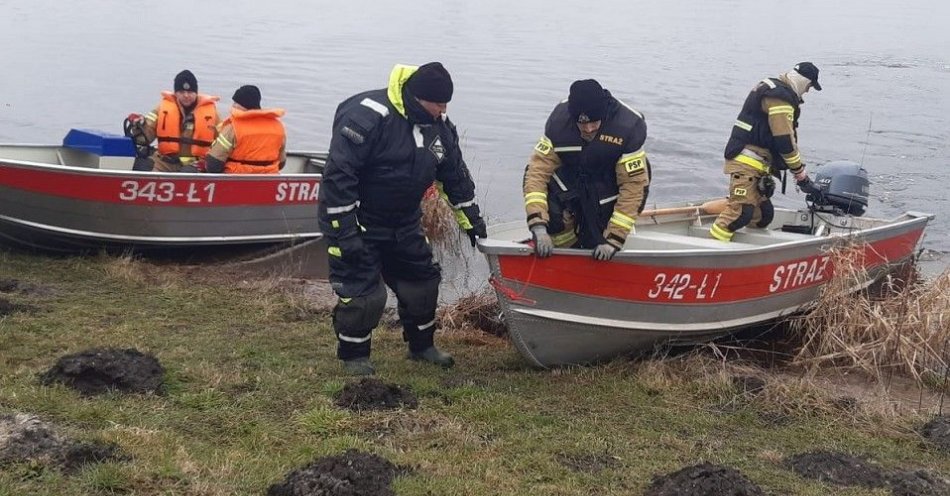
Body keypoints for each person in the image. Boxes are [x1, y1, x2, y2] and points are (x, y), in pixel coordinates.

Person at [317, 62, 487, 376]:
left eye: (446, 103)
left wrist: (473, 221)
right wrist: (344, 233)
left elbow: (455, 177)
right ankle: (354, 356)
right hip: (359, 219)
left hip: (404, 221)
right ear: (418, 97)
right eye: (438, 103)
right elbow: (338, 178)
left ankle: (422, 347)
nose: (443, 109)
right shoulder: (368, 116)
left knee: (422, 284)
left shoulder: (439, 126)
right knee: (366, 295)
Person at [522, 79, 651, 261]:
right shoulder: (558, 122)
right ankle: (562, 247)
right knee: (537, 180)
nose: (588, 129)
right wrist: (538, 226)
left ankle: (598, 238)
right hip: (575, 178)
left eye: (593, 123)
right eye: (582, 124)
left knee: (596, 238)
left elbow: (633, 188)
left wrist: (614, 239)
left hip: (609, 186)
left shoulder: (629, 126)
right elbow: (537, 172)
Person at [710, 62, 824, 242]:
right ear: (804, 81)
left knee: (763, 215)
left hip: (758, 166)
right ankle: (712, 256)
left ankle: (749, 256)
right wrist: (800, 174)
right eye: (809, 86)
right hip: (745, 163)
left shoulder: (776, 91)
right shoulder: (780, 97)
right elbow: (785, 141)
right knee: (740, 213)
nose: (808, 91)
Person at [131, 70, 221, 172]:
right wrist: (138, 125)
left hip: (196, 165)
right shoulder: (161, 109)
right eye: (181, 92)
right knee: (142, 167)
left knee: (187, 174)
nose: (186, 95)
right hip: (164, 162)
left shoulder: (212, 113)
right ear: (176, 93)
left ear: (196, 92)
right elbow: (145, 139)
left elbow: (222, 144)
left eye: (190, 92)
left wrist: (208, 163)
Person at [204, 85, 286, 174]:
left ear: (245, 104)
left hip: (236, 179)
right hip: (269, 178)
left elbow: (213, 163)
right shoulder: (278, 127)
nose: (233, 106)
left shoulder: (233, 128)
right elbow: (281, 163)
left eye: (236, 103)